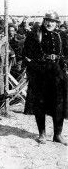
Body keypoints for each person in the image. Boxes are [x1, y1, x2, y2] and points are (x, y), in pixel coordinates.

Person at [23, 11, 68, 145]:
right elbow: (26, 54)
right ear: (44, 21)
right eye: (47, 21)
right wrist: (35, 68)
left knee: (59, 104)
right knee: (40, 104)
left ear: (57, 23)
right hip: (40, 75)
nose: (50, 24)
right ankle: (42, 134)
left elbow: (66, 53)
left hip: (57, 75)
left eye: (53, 21)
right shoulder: (35, 35)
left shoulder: (62, 35)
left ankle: (57, 134)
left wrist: (64, 66)